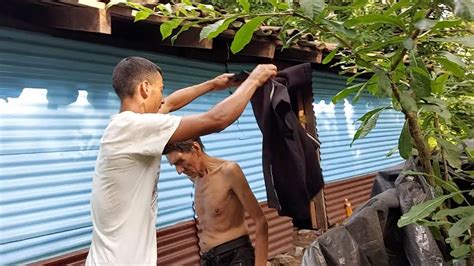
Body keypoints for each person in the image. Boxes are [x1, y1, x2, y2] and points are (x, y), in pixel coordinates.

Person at [85, 56, 276, 265]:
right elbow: (216, 120)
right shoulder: (131, 128)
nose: (162, 98)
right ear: (145, 88)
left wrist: (213, 84)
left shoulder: (128, 128)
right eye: (160, 90)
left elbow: (171, 103)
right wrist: (254, 80)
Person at [163, 138, 268, 266]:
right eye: (174, 165)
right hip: (208, 259)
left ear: (195, 148)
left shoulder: (229, 171)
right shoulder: (195, 179)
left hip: (235, 255)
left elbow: (260, 220)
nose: (179, 171)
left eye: (180, 161)